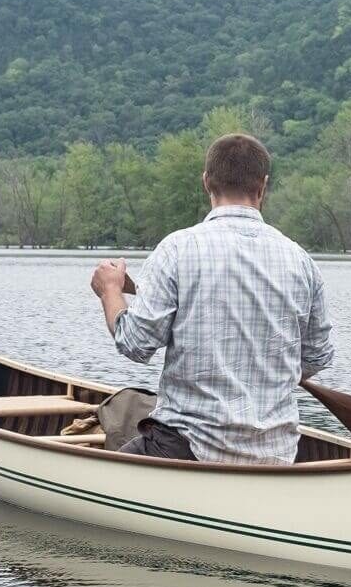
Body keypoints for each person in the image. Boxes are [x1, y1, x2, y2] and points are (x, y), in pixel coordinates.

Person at [89, 133, 334, 464]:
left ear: (207, 183)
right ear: (262, 187)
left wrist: (111, 292)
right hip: (277, 455)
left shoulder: (177, 249)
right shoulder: (301, 261)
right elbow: (317, 357)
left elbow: (135, 343)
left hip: (189, 449)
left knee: (113, 457)